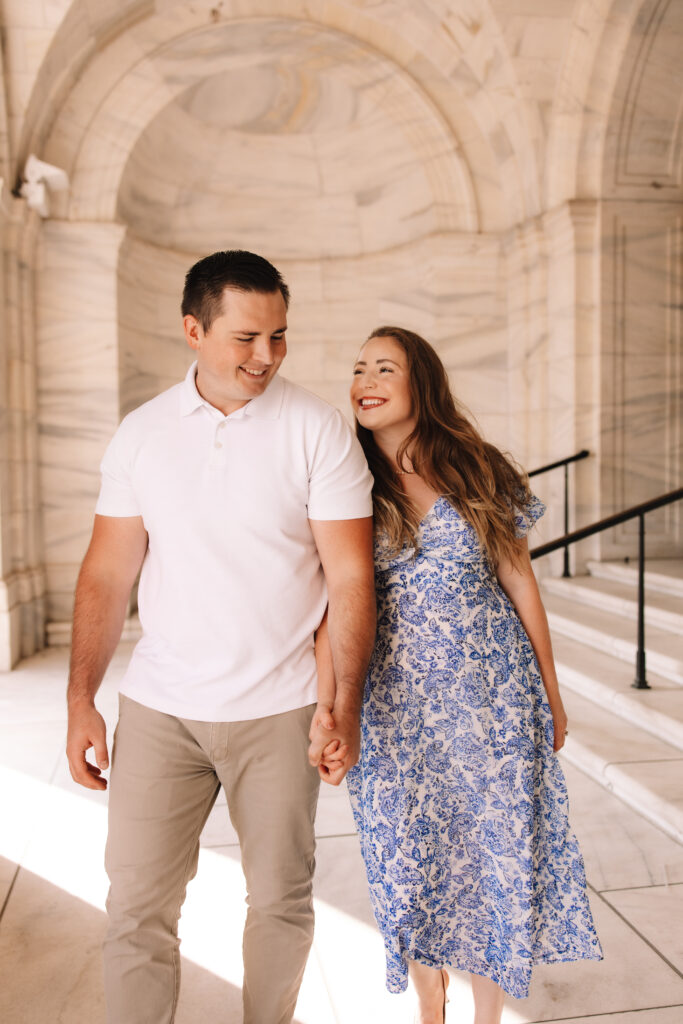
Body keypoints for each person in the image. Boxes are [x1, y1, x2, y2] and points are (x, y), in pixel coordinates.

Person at [65, 250, 376, 1024]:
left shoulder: (318, 430)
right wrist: (80, 700)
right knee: (136, 907)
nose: (266, 356)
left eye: (278, 336)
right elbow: (107, 574)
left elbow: (350, 581)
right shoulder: (141, 435)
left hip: (281, 710)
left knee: (279, 900)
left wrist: (342, 703)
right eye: (245, 338)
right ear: (193, 330)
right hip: (162, 708)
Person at [315, 326, 603, 1024]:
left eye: (385, 367)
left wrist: (550, 692)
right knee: (404, 849)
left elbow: (520, 581)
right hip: (394, 701)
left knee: (493, 847)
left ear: (422, 384)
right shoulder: (341, 475)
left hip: (492, 697)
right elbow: (327, 606)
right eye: (358, 369)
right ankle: (427, 996)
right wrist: (328, 711)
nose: (365, 380)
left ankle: (485, 1013)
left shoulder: (478, 467)